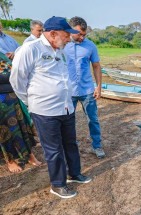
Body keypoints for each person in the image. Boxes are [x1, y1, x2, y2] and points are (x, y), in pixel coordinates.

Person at [10, 16, 92, 199]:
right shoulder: (30, 50)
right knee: (53, 149)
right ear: (53, 33)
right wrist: (32, 102)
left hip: (66, 108)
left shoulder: (61, 51)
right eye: (66, 35)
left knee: (71, 143)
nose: (69, 38)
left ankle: (75, 174)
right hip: (45, 111)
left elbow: (63, 78)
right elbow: (17, 81)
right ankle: (58, 184)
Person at [64, 16, 105, 159]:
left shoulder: (90, 46)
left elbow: (96, 66)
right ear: (70, 30)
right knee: (68, 121)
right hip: (68, 91)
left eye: (84, 34)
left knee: (92, 119)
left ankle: (97, 145)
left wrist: (98, 87)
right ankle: (70, 148)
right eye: (79, 34)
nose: (82, 37)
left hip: (87, 90)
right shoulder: (62, 45)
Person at [0, 52, 41, 173]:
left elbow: (19, 75)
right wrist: (10, 76)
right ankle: (10, 160)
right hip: (2, 102)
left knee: (22, 128)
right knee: (4, 131)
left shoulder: (2, 55)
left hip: (14, 98)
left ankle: (28, 154)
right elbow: (12, 75)